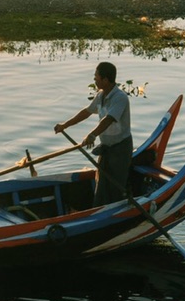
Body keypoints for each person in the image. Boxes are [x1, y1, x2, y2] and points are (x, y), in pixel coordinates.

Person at [55, 61, 132, 206]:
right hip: (106, 147)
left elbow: (108, 119)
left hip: (120, 149)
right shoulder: (101, 95)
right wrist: (65, 125)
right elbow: (86, 112)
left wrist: (92, 135)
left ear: (106, 80)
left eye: (96, 77)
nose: (94, 80)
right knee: (101, 183)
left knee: (116, 186)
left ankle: (116, 211)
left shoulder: (120, 97)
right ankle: (99, 209)